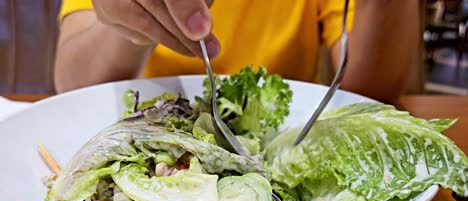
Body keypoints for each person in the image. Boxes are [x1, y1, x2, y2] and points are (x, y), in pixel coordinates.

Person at [54, 0, 419, 103]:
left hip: (288, 146)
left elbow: (370, 94)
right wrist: (135, 24)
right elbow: (72, 84)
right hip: (142, 133)